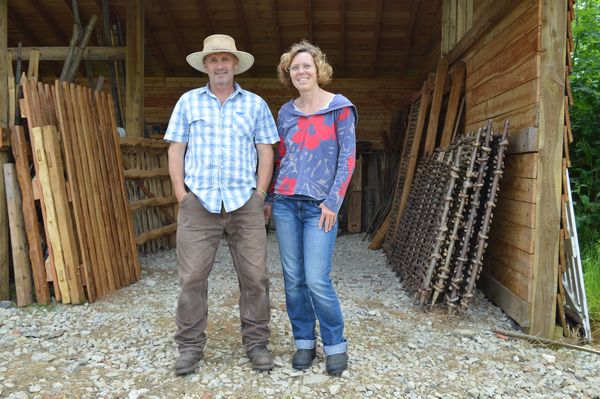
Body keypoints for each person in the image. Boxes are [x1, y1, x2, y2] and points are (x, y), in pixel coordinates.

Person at [165, 34, 279, 375]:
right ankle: (189, 347)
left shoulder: (255, 105)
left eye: (225, 59)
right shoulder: (187, 102)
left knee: (256, 277)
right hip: (199, 202)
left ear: (234, 65)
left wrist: (260, 194)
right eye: (213, 60)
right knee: (192, 279)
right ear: (205, 65)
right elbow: (176, 150)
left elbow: (265, 151)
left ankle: (257, 344)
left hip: (244, 203)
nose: (219, 65)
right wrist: (181, 196)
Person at [267, 40, 357, 375]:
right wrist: (268, 198)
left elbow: (347, 160)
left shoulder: (340, 108)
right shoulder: (286, 112)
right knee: (293, 279)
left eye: (307, 65)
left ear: (319, 68)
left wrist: (333, 201)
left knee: (317, 278)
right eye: (295, 68)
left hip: (320, 207)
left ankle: (335, 344)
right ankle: (303, 341)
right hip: (286, 204)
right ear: (288, 75)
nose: (301, 72)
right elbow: (279, 159)